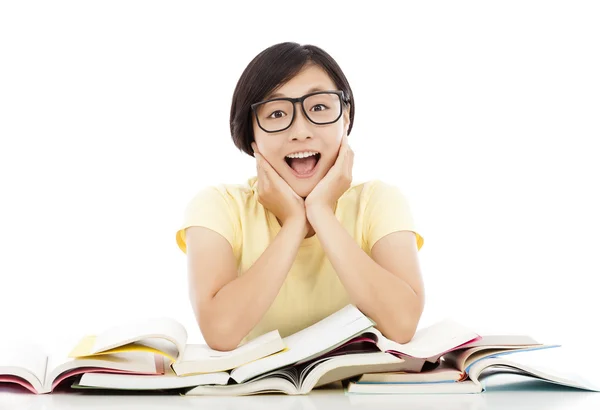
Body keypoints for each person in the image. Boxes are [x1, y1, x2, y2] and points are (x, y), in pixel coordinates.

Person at [175, 42, 425, 351]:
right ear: (252, 133)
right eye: (277, 112)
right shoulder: (218, 207)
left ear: (345, 118)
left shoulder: (379, 201)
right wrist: (294, 222)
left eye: (319, 107)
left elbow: (402, 325)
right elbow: (220, 332)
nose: (301, 130)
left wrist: (320, 212)